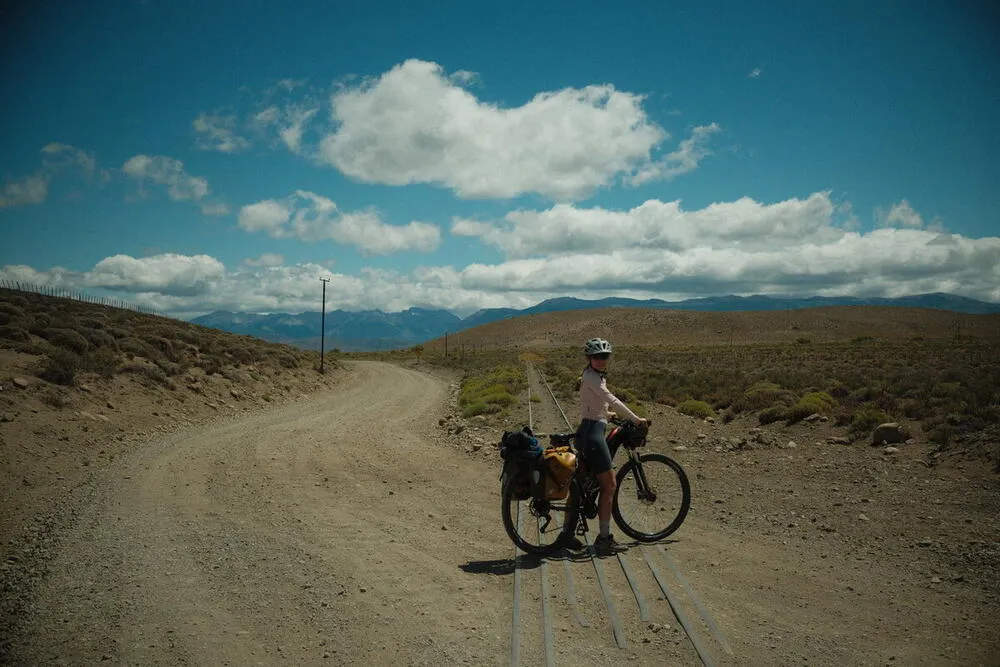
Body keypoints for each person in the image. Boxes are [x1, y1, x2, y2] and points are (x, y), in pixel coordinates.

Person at [577, 337, 648, 556]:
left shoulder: (593, 375)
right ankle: (604, 539)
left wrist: (605, 414)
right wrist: (636, 419)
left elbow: (591, 402)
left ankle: (567, 533)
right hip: (592, 434)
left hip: (590, 428)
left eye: (604, 356)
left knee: (581, 483)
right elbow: (612, 399)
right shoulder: (593, 377)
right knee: (609, 485)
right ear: (589, 358)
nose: (601, 360)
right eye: (597, 356)